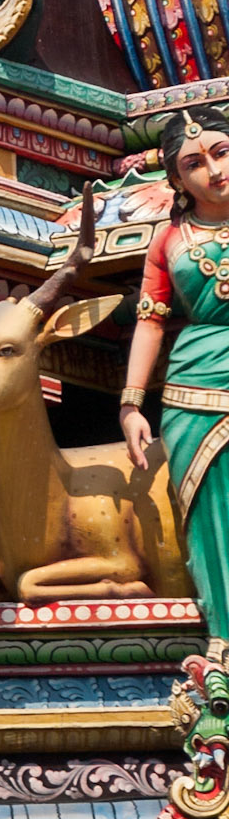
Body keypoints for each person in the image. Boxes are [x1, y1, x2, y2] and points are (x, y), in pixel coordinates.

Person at [120, 108, 229, 640]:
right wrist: (131, 404)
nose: (213, 169)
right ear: (177, 180)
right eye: (194, 163)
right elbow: (150, 322)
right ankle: (224, 643)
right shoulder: (168, 241)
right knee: (214, 519)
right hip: (197, 391)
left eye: (221, 151)